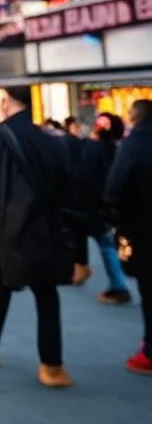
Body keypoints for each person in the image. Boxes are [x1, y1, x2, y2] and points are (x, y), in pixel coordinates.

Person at [0, 87, 74, 387]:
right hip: (45, 225)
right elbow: (68, 182)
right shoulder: (50, 139)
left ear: (6, 103)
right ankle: (52, 366)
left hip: (8, 225)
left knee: (0, 282)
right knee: (46, 294)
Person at [103, 99, 152, 375]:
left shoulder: (133, 145)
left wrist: (113, 215)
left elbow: (116, 185)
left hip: (143, 226)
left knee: (149, 287)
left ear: (134, 118)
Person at [74, 113, 131, 303]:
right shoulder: (115, 148)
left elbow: (88, 177)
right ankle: (116, 283)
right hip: (105, 204)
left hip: (94, 204)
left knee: (105, 244)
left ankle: (118, 286)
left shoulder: (94, 148)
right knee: (106, 243)